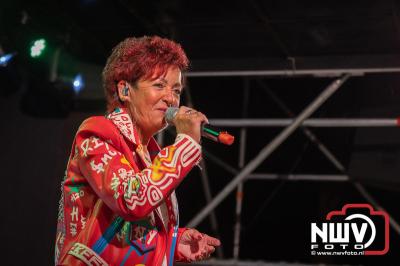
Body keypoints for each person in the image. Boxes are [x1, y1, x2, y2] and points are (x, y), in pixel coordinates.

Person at [55, 36, 220, 265]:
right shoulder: (98, 132)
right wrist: (186, 144)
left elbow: (129, 229)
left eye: (176, 90)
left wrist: (173, 242)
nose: (171, 98)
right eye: (159, 85)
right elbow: (131, 200)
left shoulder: (150, 154)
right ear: (124, 90)